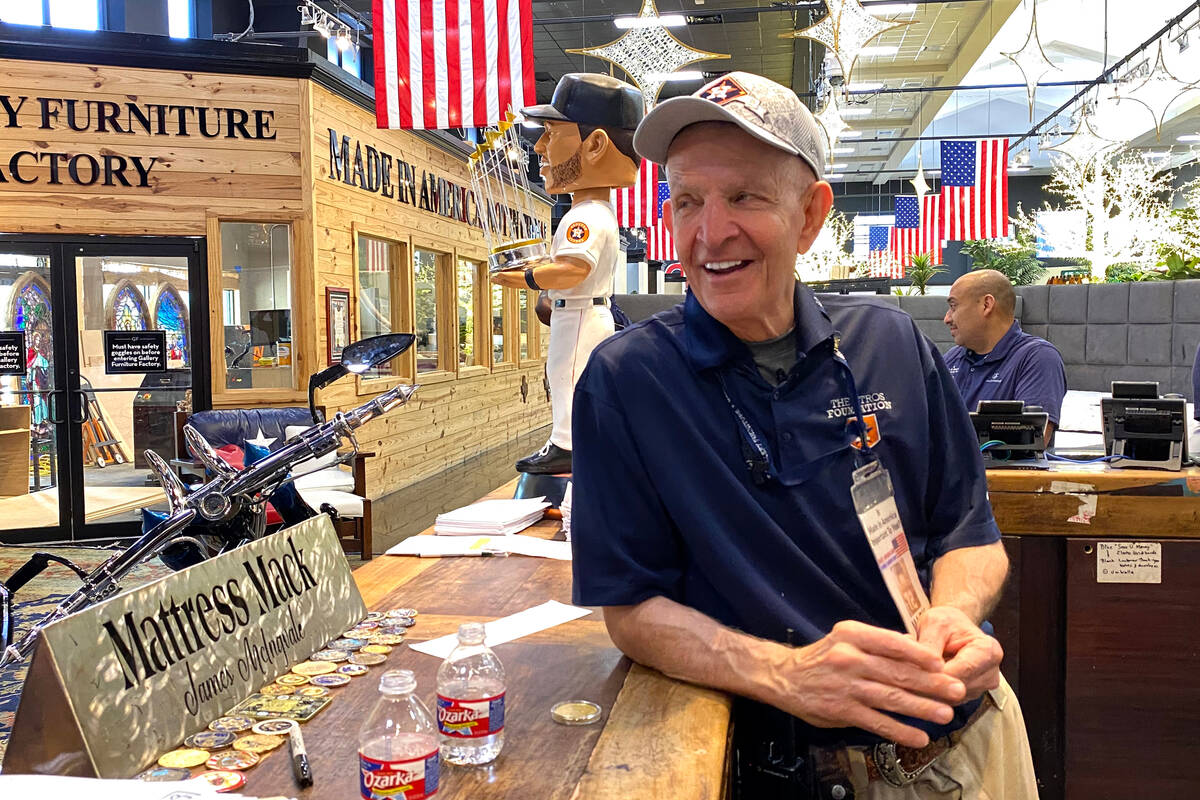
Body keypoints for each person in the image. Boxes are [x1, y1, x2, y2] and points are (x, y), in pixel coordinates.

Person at [570, 72, 1038, 799]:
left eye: (746, 197)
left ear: (811, 215)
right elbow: (629, 607)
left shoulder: (889, 343)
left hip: (966, 748)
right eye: (687, 201)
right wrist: (786, 673)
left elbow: (968, 534)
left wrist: (951, 616)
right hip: (788, 770)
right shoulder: (628, 381)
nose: (710, 232)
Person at [491, 74, 643, 475]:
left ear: (594, 145)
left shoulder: (589, 215)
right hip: (571, 311)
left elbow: (574, 268)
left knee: (570, 374)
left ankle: (569, 445)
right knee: (561, 374)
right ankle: (566, 441)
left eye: (551, 133)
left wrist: (524, 277)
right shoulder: (586, 212)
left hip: (580, 313)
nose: (539, 146)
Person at [943, 270, 1067, 439]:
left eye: (953, 307)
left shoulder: (1037, 358)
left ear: (986, 305)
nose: (947, 318)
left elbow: (1029, 442)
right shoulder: (951, 360)